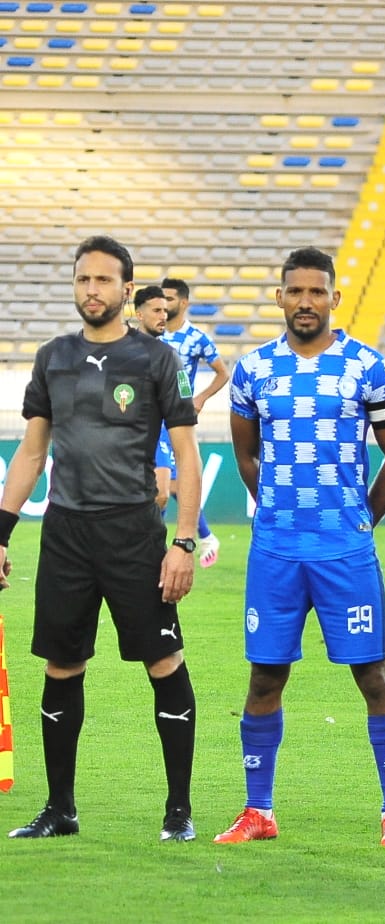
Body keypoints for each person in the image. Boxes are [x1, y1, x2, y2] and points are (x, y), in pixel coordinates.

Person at [213, 247, 385, 849]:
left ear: (334, 298)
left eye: (316, 292)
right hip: (276, 550)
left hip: (343, 551)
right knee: (264, 678)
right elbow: (247, 455)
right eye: (295, 292)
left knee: (374, 676)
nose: (306, 302)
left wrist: (360, 521)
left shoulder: (368, 367)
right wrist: (276, 508)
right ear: (279, 297)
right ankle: (258, 811)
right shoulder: (253, 371)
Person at [1, 235, 201, 842]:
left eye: (104, 280)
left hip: (134, 533)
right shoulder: (52, 357)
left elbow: (189, 457)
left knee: (164, 662)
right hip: (65, 532)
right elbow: (32, 452)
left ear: (126, 287)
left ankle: (178, 811)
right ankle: (60, 809)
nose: (93, 289)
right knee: (62, 666)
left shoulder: (156, 360)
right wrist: (2, 529)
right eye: (84, 279)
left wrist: (184, 541)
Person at [160, 277, 228, 567]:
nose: (164, 304)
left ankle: (157, 545)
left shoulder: (197, 338)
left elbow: (222, 373)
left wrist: (199, 399)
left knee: (165, 485)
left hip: (175, 419)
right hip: (150, 416)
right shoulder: (154, 332)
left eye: (170, 299)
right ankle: (205, 536)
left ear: (184, 302)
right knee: (164, 485)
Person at [131, 285, 175, 511]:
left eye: (165, 311)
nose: (163, 317)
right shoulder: (123, 348)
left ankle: (152, 543)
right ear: (139, 314)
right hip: (128, 434)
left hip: (160, 433)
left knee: (162, 494)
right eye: (157, 311)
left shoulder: (168, 352)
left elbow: (183, 385)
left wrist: (189, 401)